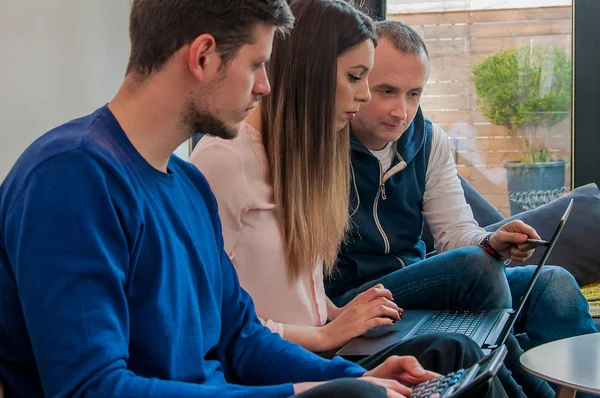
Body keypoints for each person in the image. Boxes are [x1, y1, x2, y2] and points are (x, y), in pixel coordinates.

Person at [0, 2, 447, 397]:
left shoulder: (190, 186)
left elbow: (240, 337)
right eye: (256, 65)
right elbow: (91, 387)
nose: (265, 87)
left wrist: (350, 378)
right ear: (203, 57)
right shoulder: (70, 176)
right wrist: (307, 393)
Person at [190, 1, 514, 397]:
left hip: (322, 348)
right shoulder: (224, 160)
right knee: (466, 314)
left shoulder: (304, 156)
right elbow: (217, 322)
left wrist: (338, 315)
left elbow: (298, 285)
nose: (363, 96)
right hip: (282, 363)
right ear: (309, 72)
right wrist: (327, 337)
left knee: (457, 349)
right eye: (357, 77)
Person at [325, 19, 598, 398]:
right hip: (351, 300)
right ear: (357, 80)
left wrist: (492, 241)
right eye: (386, 91)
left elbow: (456, 233)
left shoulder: (428, 138)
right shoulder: (323, 145)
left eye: (413, 94)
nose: (400, 111)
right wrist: (482, 255)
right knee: (476, 264)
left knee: (553, 283)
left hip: (415, 283)